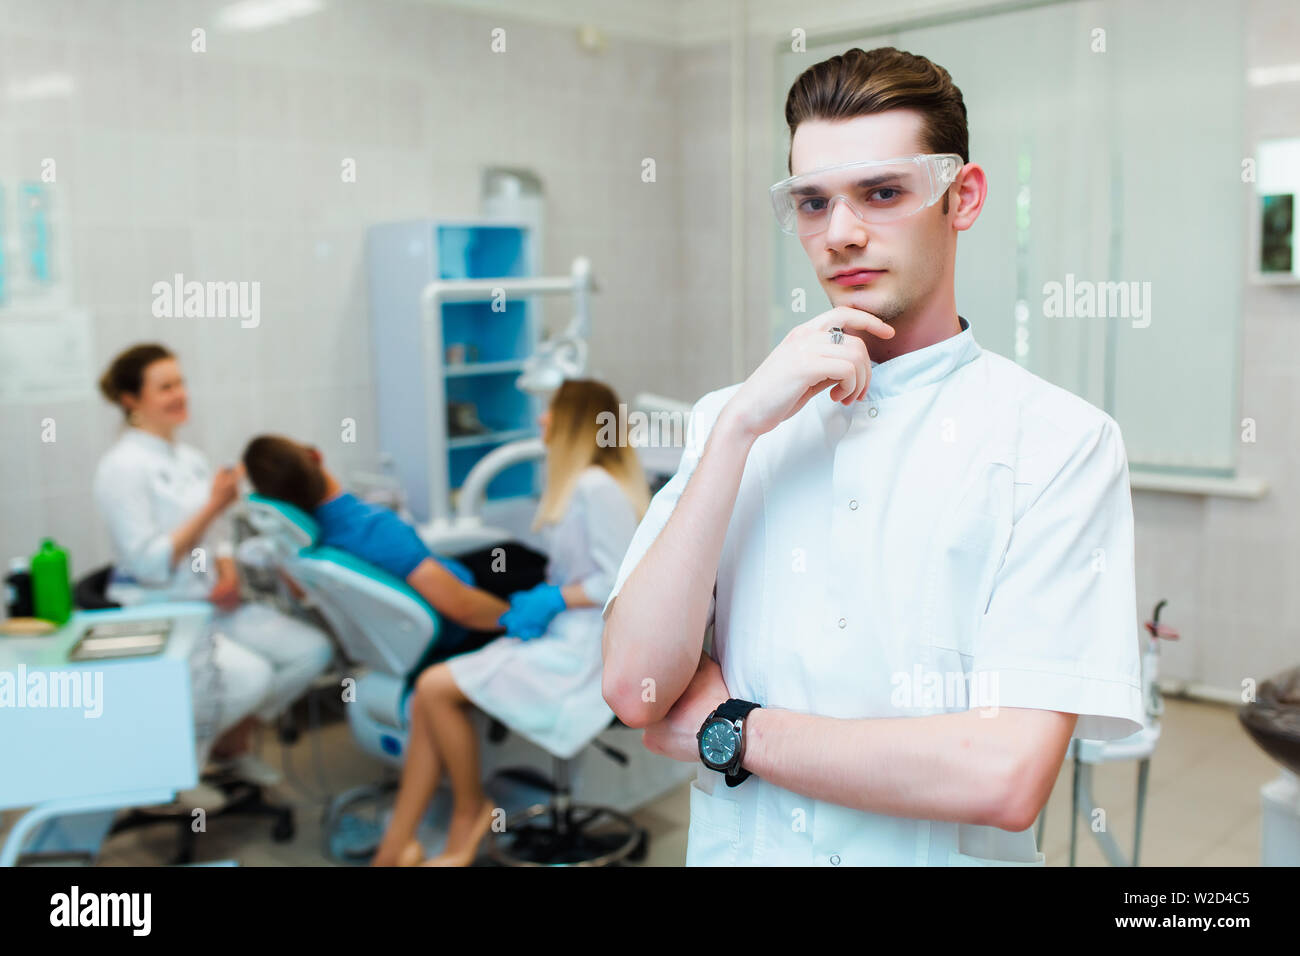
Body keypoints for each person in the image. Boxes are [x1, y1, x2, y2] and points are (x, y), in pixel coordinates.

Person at [601, 46, 1145, 867]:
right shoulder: (737, 423)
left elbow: (1002, 776)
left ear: (961, 198)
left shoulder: (1059, 443)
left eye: (882, 193)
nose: (841, 234)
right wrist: (741, 427)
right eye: (813, 203)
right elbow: (636, 688)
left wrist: (731, 730)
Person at [365, 379, 650, 866]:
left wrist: (554, 598)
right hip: (567, 633)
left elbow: (624, 581)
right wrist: (547, 597)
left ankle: (468, 815)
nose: (541, 420)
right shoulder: (581, 483)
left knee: (434, 687)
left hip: (586, 649)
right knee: (428, 696)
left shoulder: (595, 486)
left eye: (551, 412)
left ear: (576, 421)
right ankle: (403, 842)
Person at [92, 344, 334, 804]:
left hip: (214, 601)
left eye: (180, 383)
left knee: (313, 649)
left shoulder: (192, 459)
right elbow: (150, 563)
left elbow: (220, 533)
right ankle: (174, 769)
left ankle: (228, 742)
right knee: (253, 676)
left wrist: (229, 573)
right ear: (131, 399)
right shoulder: (121, 468)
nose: (180, 394)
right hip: (165, 609)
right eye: (165, 387)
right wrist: (212, 505)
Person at [241, 436, 549, 662]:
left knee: (505, 549)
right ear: (316, 455)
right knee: (529, 561)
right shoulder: (373, 528)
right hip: (467, 609)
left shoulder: (314, 535)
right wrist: (523, 619)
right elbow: (462, 607)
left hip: (438, 583)